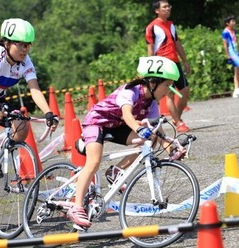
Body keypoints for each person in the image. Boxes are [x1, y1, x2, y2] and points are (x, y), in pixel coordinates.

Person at [67, 55, 185, 230]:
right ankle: (76, 208)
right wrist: (139, 129)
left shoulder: (152, 102)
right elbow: (127, 115)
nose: (168, 91)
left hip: (116, 127)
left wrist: (172, 150)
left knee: (151, 138)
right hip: (96, 123)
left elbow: (159, 132)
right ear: (153, 82)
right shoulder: (131, 91)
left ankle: (116, 171)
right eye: (167, 85)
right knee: (93, 161)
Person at [0, 18, 59, 142]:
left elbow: (35, 90)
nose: (25, 49)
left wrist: (48, 112)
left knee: (21, 126)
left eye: (28, 44)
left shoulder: (26, 62)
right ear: (7, 43)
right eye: (21, 44)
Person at [145, 0, 190, 132]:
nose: (168, 8)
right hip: (163, 64)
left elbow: (177, 44)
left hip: (175, 63)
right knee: (170, 94)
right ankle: (179, 122)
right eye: (164, 7)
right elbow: (150, 49)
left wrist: (185, 61)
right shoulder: (152, 27)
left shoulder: (171, 24)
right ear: (157, 10)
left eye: (168, 6)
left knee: (185, 91)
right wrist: (152, 68)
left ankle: (177, 119)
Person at [222, 15, 239, 98]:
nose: (234, 23)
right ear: (227, 23)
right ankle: (237, 89)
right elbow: (225, 45)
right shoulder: (225, 32)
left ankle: (236, 89)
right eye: (232, 21)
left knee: (237, 70)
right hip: (232, 52)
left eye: (234, 21)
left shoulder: (234, 31)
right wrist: (228, 56)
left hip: (237, 51)